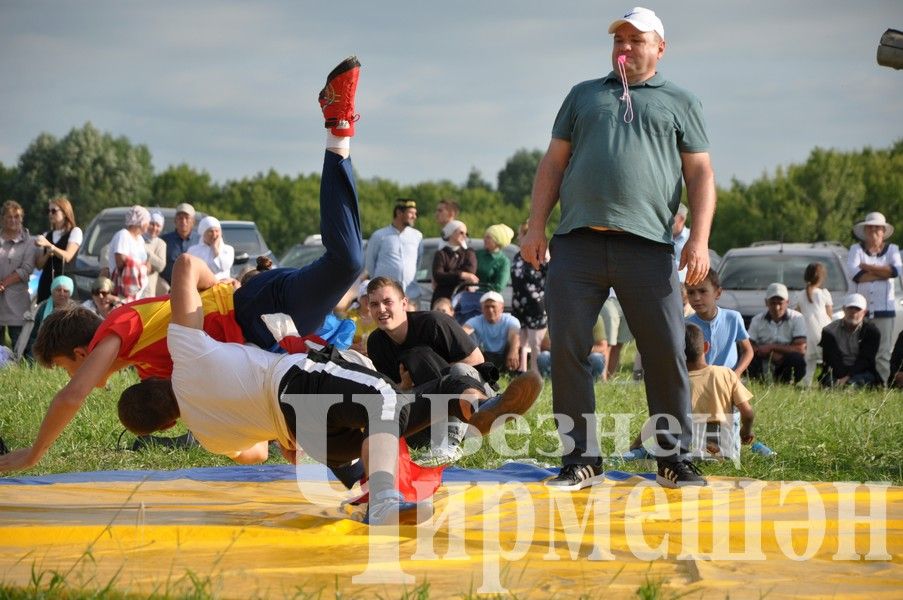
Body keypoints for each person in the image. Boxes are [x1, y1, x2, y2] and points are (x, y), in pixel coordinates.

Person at [0, 56, 366, 475]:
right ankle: (378, 481)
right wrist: (259, 433)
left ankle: (338, 127)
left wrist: (31, 455)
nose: (74, 380)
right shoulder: (149, 371)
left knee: (347, 263)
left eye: (69, 369)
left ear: (82, 353)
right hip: (263, 339)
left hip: (251, 309)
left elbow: (72, 397)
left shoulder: (117, 331)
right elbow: (249, 447)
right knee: (309, 434)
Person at [119, 208, 542, 525]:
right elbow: (185, 265)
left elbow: (256, 451)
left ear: (165, 426)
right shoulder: (186, 353)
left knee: (408, 404)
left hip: (312, 440)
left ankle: (469, 405)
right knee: (382, 399)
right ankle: (384, 501)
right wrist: (220, 283)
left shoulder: (208, 438)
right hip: (296, 385)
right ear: (156, 380)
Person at [520, 6, 716, 489]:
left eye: (636, 40)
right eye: (618, 40)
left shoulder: (680, 101)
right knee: (565, 348)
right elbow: (553, 164)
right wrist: (536, 227)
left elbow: (700, 173)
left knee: (666, 348)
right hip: (577, 244)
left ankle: (672, 458)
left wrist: (700, 239)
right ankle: (580, 459)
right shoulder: (584, 95)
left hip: (649, 248)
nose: (624, 48)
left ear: (660, 48)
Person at [847, 212, 901, 383]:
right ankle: (860, 381)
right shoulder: (855, 249)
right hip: (861, 310)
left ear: (883, 232)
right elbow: (856, 275)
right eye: (870, 228)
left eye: (877, 228)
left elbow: (895, 271)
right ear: (865, 231)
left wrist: (867, 267)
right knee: (859, 349)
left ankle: (883, 384)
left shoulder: (892, 250)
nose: (874, 231)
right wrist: (883, 272)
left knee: (883, 351)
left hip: (884, 309)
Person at [685, 269, 753, 376]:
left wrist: (737, 373)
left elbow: (748, 350)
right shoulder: (686, 325)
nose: (696, 298)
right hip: (699, 381)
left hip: (728, 380)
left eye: (702, 291)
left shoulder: (733, 318)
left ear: (718, 293)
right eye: (691, 292)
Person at [365, 199, 423, 309]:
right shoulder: (379, 235)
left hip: (411, 294)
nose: (414, 216)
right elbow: (370, 263)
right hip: (386, 297)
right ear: (399, 213)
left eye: (415, 213)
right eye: (411, 213)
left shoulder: (417, 236)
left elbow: (418, 261)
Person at [747, 283, 807, 383]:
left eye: (780, 303)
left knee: (797, 359)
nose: (777, 307)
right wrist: (770, 354)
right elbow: (747, 346)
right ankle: (757, 380)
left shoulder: (797, 318)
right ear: (766, 302)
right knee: (747, 356)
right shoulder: (757, 320)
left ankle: (787, 381)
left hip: (785, 360)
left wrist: (771, 347)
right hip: (763, 358)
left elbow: (800, 348)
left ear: (787, 302)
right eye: (773, 303)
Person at [818, 293, 881, 388]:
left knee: (859, 382)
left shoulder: (872, 332)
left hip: (861, 371)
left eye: (857, 309)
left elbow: (866, 359)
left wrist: (848, 377)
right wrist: (842, 378)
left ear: (864, 312)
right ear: (844, 309)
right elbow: (831, 358)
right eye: (850, 308)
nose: (853, 312)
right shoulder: (829, 331)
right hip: (836, 371)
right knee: (830, 382)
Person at [510, 221, 548, 374]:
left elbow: (549, 276)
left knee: (535, 342)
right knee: (522, 339)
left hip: (536, 303)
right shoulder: (518, 256)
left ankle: (536, 373)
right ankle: (522, 371)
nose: (519, 237)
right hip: (519, 303)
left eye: (521, 234)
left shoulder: (541, 255)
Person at [0, 200, 36, 351]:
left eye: (17, 216)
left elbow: (26, 269)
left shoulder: (30, 241)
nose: (13, 220)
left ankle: (19, 372)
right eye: (9, 217)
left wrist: (4, 283)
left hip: (18, 300)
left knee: (19, 345)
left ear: (22, 218)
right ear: (2, 219)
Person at [34, 195, 82, 303]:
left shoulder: (75, 232)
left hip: (64, 285)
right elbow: (39, 265)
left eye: (54, 211)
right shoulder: (47, 234)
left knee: (66, 318)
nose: (50, 214)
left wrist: (50, 246)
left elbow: (68, 256)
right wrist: (48, 253)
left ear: (65, 213)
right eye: (48, 211)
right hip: (46, 284)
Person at [793, 262, 833, 387]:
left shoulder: (799, 295)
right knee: (827, 357)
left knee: (809, 359)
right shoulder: (824, 294)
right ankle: (828, 380)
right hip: (822, 329)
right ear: (822, 277)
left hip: (806, 330)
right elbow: (829, 314)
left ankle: (806, 381)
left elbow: (797, 313)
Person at [462, 291, 521, 373]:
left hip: (504, 354)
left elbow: (515, 334)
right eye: (487, 307)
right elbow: (462, 333)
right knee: (468, 337)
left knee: (517, 340)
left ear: (502, 308)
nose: (490, 310)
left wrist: (513, 351)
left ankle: (515, 371)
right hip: (484, 357)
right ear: (482, 308)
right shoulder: (475, 321)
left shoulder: (511, 320)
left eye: (493, 306)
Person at [22, 275, 77, 359]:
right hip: (41, 347)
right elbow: (33, 335)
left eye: (65, 291)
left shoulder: (75, 311)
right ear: (52, 291)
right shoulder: (42, 308)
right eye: (58, 290)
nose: (62, 294)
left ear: (71, 293)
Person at [108, 205, 151, 302]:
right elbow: (120, 260)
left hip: (138, 290)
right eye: (147, 221)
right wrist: (138, 266)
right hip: (123, 291)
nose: (148, 224)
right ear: (141, 222)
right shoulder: (123, 235)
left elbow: (143, 261)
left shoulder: (140, 239)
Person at [431, 219, 477, 303]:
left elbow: (470, 273)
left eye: (466, 234)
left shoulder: (469, 253)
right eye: (461, 233)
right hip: (442, 298)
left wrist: (449, 275)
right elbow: (438, 276)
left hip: (462, 298)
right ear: (451, 232)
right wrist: (461, 274)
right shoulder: (441, 253)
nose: (465, 236)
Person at [160, 203, 198, 286]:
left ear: (193, 221)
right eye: (180, 218)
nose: (183, 221)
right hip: (168, 289)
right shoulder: (164, 240)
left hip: (195, 288)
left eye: (187, 218)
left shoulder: (200, 240)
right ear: (175, 221)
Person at [187, 216, 234, 280]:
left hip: (223, 287)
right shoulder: (193, 251)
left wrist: (215, 249)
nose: (214, 234)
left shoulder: (228, 249)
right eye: (211, 231)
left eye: (217, 231)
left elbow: (223, 267)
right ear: (203, 233)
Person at [475, 224, 513, 294]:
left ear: (498, 241)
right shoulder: (478, 254)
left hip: (489, 299)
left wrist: (477, 288)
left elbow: (499, 287)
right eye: (485, 237)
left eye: (488, 237)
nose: (484, 239)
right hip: (470, 295)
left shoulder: (503, 261)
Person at [145, 211, 170, 296]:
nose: (154, 228)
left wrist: (145, 251)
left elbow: (160, 265)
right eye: (151, 224)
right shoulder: (136, 238)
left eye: (158, 225)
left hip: (149, 289)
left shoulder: (161, 244)